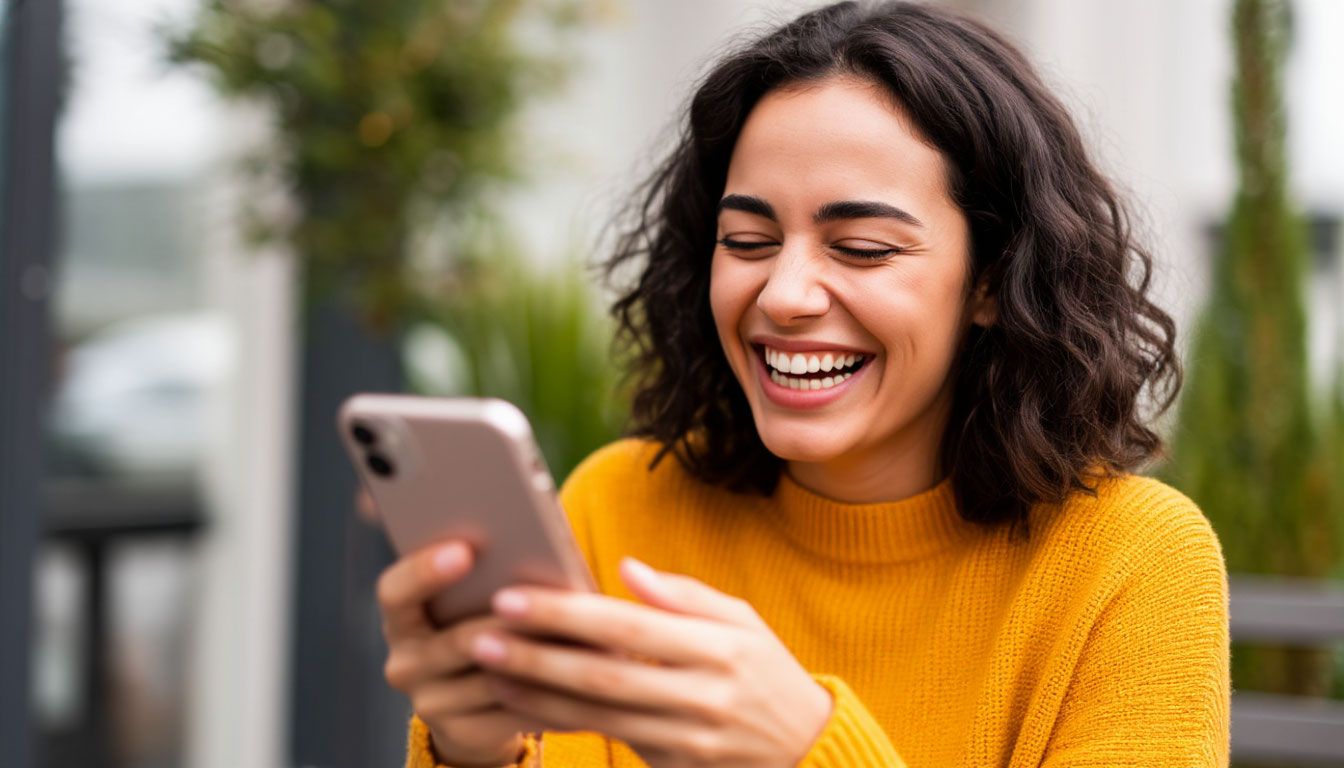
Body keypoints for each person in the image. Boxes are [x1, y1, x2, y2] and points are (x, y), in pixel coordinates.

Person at [379, 2, 1231, 766]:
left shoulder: (1133, 563)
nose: (782, 297)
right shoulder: (617, 511)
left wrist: (809, 750)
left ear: (991, 281)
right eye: (747, 241)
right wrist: (475, 750)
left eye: (861, 248)